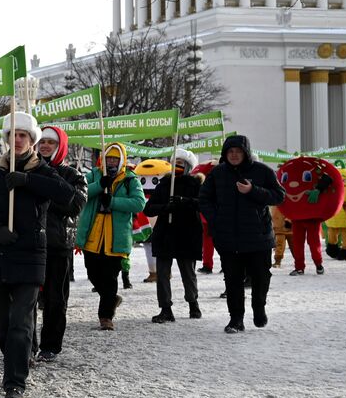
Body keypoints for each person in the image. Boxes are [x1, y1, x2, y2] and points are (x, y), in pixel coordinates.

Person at [0, 112, 72, 398]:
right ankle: (16, 358)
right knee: (3, 324)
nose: (18, 139)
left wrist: (27, 180)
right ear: (7, 139)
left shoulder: (43, 171)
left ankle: (15, 382)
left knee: (21, 323)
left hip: (31, 256)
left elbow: (67, 194)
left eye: (23, 135)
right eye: (13, 134)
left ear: (31, 140)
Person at [198, 134, 285, 333]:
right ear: (225, 153)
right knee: (232, 280)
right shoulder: (217, 173)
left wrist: (253, 190)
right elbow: (204, 199)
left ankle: (259, 308)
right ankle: (236, 319)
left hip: (258, 237)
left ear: (246, 153)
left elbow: (279, 196)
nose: (234, 155)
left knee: (261, 277)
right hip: (228, 238)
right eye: (230, 151)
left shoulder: (262, 171)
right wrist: (216, 219)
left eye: (238, 151)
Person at [75, 144, 146, 330]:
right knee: (93, 273)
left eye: (115, 158)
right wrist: (100, 186)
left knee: (110, 277)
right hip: (93, 234)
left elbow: (139, 203)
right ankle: (112, 298)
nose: (111, 161)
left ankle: (106, 317)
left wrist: (113, 202)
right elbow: (80, 192)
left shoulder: (130, 179)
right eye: (109, 158)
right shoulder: (95, 174)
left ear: (122, 159)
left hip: (116, 238)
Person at [34, 125, 87, 361]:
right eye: (42, 141)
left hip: (58, 246)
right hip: (31, 243)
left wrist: (46, 188)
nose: (45, 146)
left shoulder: (73, 175)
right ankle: (27, 344)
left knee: (56, 300)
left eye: (51, 142)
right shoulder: (28, 168)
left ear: (60, 146)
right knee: (28, 299)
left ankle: (50, 345)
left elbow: (75, 205)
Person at [146, 149, 204, 323]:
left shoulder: (196, 185)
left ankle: (193, 303)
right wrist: (165, 207)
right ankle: (165, 308)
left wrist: (186, 202)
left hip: (187, 234)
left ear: (187, 166)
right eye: (175, 163)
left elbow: (204, 204)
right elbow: (148, 208)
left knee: (188, 272)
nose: (177, 166)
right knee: (162, 274)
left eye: (181, 163)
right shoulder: (164, 184)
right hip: (165, 234)